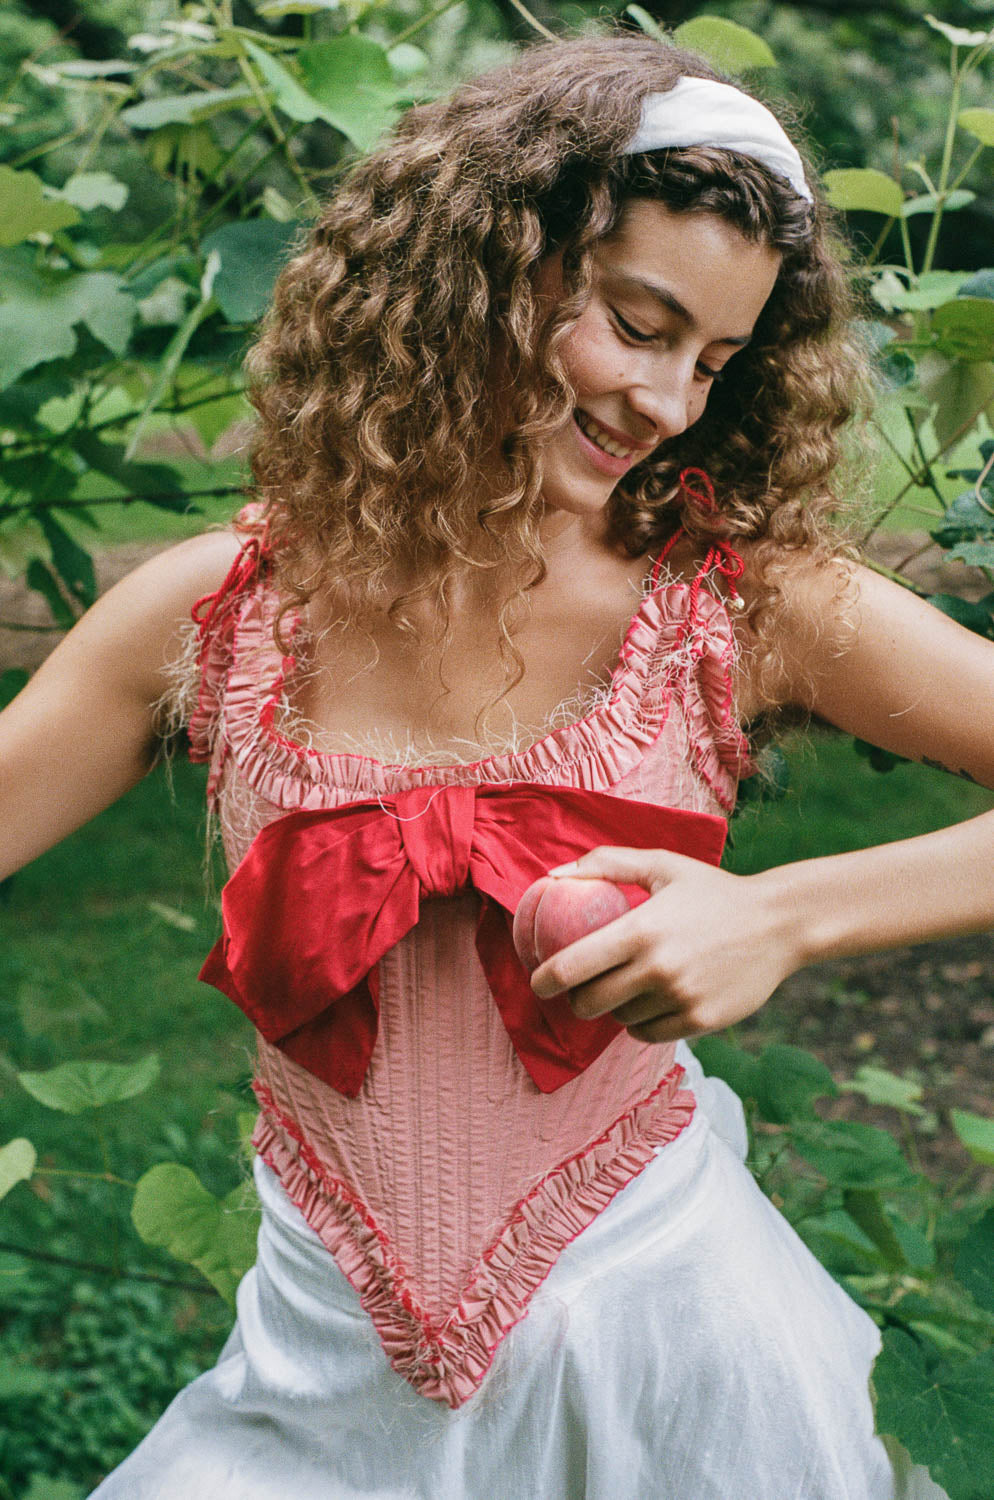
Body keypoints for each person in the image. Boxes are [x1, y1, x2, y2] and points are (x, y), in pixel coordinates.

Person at [1, 29, 986, 1499]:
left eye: (711, 362)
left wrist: (779, 914)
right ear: (485, 270)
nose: (665, 403)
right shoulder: (211, 614)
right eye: (636, 325)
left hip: (679, 1372)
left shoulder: (738, 602)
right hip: (322, 1383)